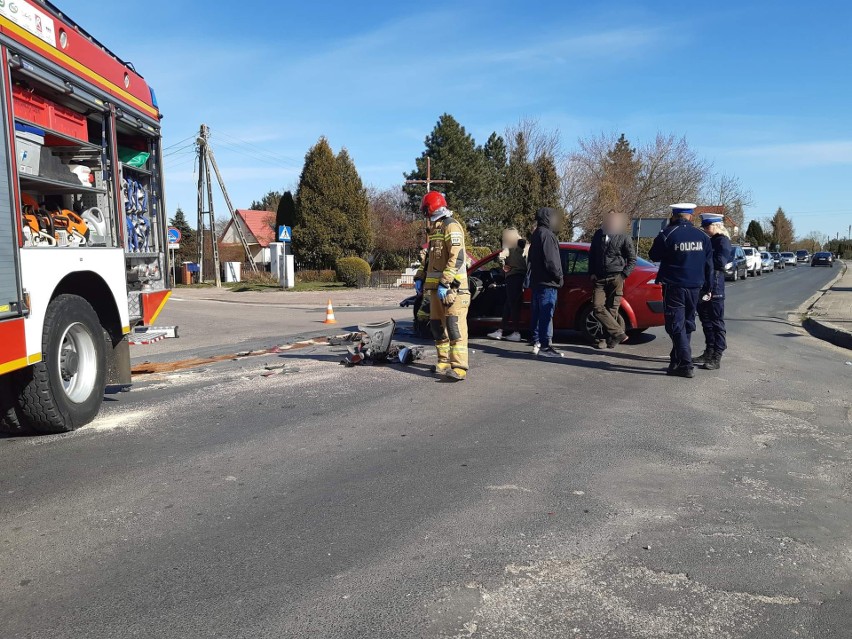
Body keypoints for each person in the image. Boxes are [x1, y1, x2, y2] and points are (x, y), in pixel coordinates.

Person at [648, 203, 712, 378]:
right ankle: (675, 360)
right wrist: (708, 287)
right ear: (691, 216)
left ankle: (685, 364)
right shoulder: (703, 236)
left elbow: (653, 255)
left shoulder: (668, 234)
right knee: (687, 324)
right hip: (696, 287)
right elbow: (709, 265)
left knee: (676, 326)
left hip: (674, 286)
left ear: (674, 215)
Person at [413, 191, 470, 381]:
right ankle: (443, 361)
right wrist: (420, 276)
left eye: (426, 209)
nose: (425, 214)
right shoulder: (436, 229)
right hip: (437, 291)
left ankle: (459, 367)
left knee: (454, 328)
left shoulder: (451, 226)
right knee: (437, 326)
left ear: (431, 207)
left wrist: (445, 282)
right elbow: (429, 259)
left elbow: (457, 257)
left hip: (454, 290)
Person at [588, 209, 637, 349]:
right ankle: (619, 333)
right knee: (598, 307)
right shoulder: (599, 234)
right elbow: (592, 255)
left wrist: (623, 275)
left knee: (612, 309)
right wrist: (591, 272)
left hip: (616, 277)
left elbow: (632, 259)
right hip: (599, 278)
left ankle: (607, 339)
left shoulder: (624, 236)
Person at [695, 213, 733, 370]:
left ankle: (717, 355)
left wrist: (702, 258)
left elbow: (720, 262)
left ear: (717, 225)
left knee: (716, 321)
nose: (704, 229)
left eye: (707, 226)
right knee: (706, 320)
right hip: (705, 283)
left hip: (716, 284)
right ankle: (709, 350)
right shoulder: (711, 241)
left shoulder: (723, 241)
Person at [527, 207, 564, 358]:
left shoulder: (537, 234)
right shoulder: (547, 235)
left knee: (537, 314)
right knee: (546, 315)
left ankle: (537, 342)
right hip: (548, 282)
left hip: (538, 282)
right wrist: (559, 277)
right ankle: (545, 346)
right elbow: (551, 261)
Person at [488, 228, 528, 342]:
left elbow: (501, 257)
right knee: (510, 304)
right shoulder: (523, 245)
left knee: (512, 305)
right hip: (523, 278)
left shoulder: (509, 247)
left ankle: (515, 332)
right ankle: (501, 330)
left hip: (512, 277)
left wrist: (504, 266)